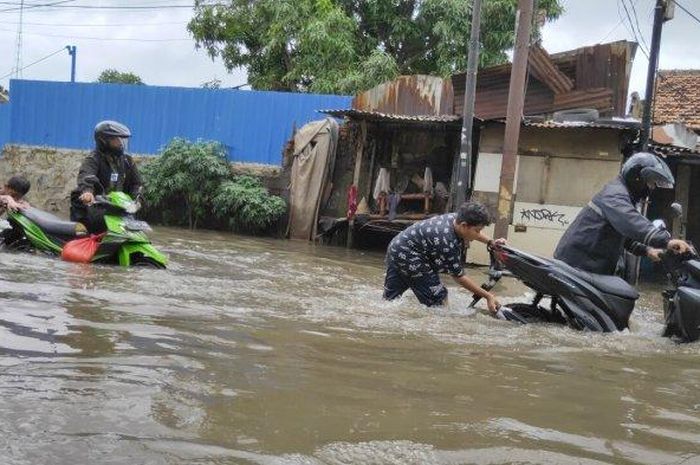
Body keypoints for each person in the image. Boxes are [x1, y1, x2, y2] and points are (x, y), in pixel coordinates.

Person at [554, 152, 691, 275]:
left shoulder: (623, 195)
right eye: (650, 182)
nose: (652, 187)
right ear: (636, 177)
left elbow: (623, 234)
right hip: (578, 264)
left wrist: (647, 251)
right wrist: (667, 241)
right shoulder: (615, 195)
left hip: (588, 264)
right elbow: (631, 223)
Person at [383, 201, 506, 312]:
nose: (478, 234)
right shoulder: (447, 242)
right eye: (477, 231)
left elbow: (472, 230)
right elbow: (459, 277)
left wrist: (491, 242)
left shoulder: (455, 218)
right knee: (438, 299)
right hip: (410, 255)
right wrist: (488, 296)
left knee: (390, 301)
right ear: (464, 225)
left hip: (396, 247)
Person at [70, 120, 143, 232]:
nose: (120, 143)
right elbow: (86, 175)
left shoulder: (127, 161)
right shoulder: (93, 159)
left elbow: (137, 183)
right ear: (103, 141)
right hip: (95, 210)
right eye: (115, 139)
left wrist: (137, 198)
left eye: (121, 139)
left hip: (118, 209)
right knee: (86, 232)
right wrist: (87, 192)